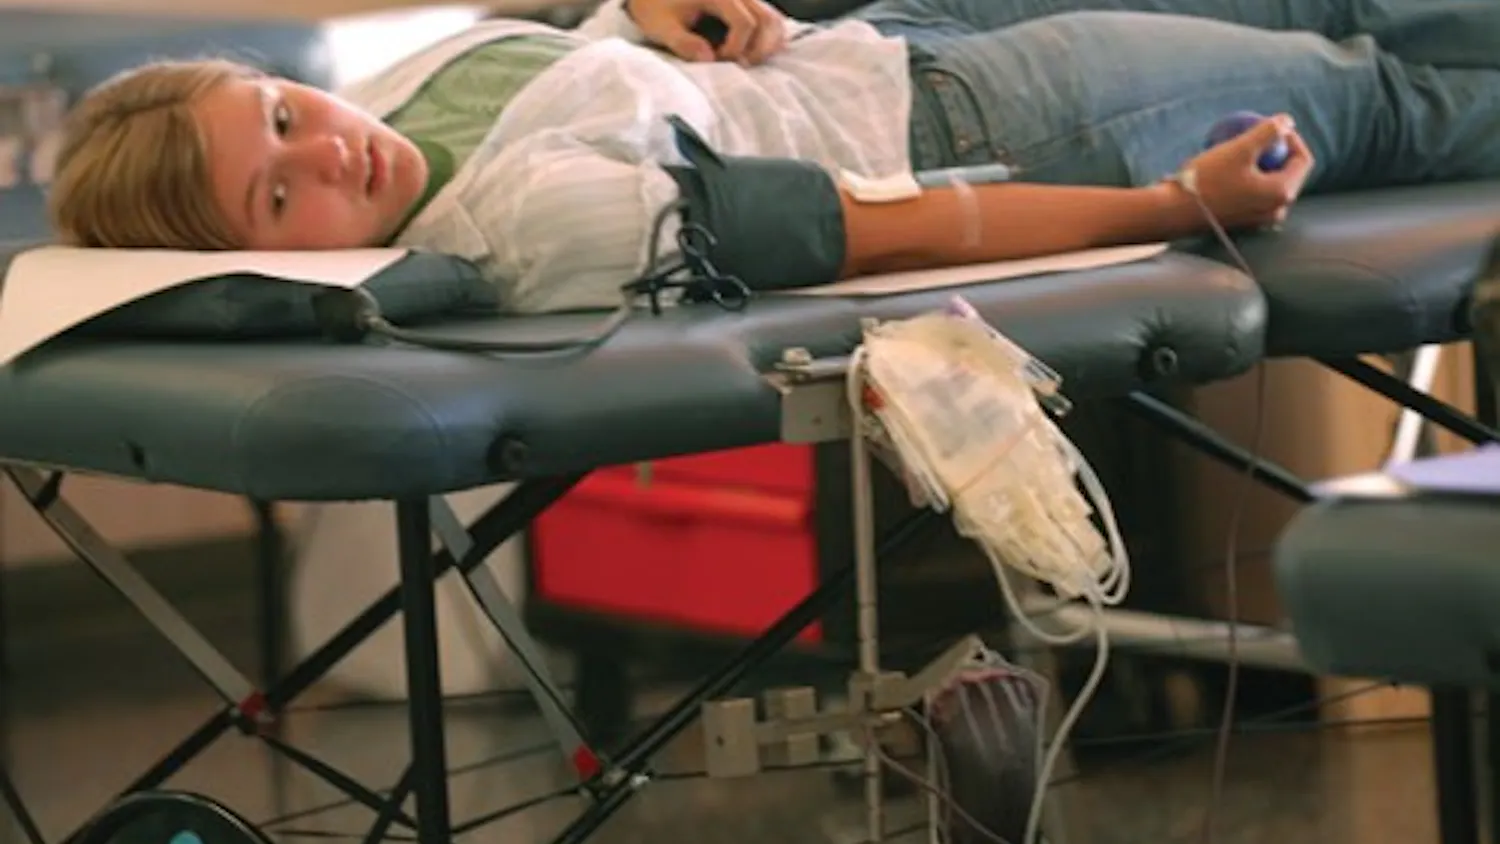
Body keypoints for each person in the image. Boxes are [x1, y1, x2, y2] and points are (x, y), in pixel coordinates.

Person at [46, 0, 1500, 315]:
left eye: (285, 118)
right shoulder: (536, 228)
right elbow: (895, 231)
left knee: (1326, 1)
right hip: (991, 123)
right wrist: (1170, 206)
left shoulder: (411, 86)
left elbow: (578, 45)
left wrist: (662, 14)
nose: (327, 156)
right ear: (256, 255)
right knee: (1373, 97)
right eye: (275, 195)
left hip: (884, 36)